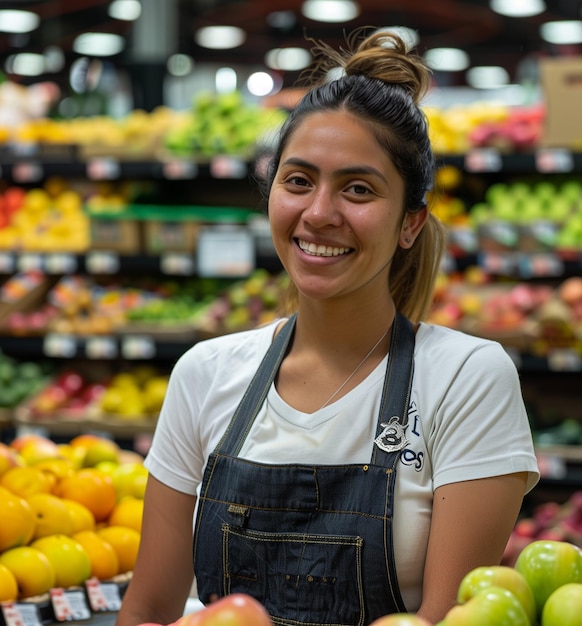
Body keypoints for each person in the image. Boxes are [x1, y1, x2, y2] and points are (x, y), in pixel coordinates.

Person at [115, 28, 539, 626]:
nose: (318, 213)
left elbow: (448, 621)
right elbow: (149, 610)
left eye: (358, 189)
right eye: (298, 181)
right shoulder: (205, 374)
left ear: (410, 223)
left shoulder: (465, 378)